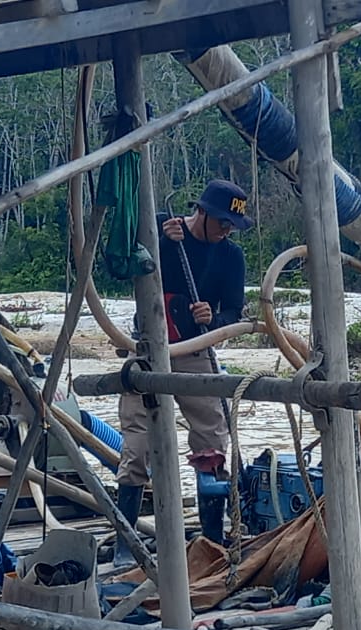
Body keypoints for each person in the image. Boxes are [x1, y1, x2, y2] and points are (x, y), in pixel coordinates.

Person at [114, 179, 253, 564]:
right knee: (137, 445)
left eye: (232, 226)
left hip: (195, 351)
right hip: (148, 349)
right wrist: (158, 236)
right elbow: (127, 261)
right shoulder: (160, 229)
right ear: (202, 213)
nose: (226, 230)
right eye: (222, 222)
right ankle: (126, 544)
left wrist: (215, 316)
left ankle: (211, 540)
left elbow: (233, 312)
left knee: (211, 439)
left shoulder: (231, 258)